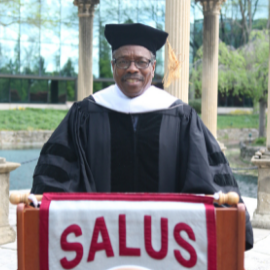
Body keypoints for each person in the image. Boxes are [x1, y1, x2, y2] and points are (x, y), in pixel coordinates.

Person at [30, 23, 253, 250]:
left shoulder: (181, 117)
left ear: (153, 66)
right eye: (123, 61)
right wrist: (41, 206)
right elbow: (56, 179)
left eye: (141, 62)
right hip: (98, 243)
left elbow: (205, 177)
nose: (132, 68)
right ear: (113, 65)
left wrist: (228, 218)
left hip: (166, 245)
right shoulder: (84, 114)